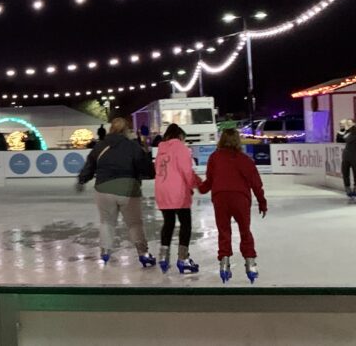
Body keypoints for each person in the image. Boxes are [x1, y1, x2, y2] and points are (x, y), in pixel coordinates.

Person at [77, 117, 157, 268]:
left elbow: (90, 165)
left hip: (104, 189)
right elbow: (146, 170)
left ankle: (105, 252)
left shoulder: (100, 146)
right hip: (128, 189)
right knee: (134, 224)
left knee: (107, 222)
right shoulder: (133, 146)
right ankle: (144, 254)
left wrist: (82, 179)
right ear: (126, 130)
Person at [199, 128, 267, 283]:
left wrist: (200, 187)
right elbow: (256, 183)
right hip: (240, 198)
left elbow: (209, 181)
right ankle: (250, 264)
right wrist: (262, 202)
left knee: (224, 231)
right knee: (245, 230)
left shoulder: (214, 157)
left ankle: (224, 263)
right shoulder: (245, 159)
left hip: (220, 197)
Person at [153, 124, 202, 274]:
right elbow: (186, 171)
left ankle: (163, 256)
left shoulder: (161, 150)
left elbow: (157, 170)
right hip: (178, 191)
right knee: (185, 224)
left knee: (168, 223)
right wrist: (195, 184)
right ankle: (183, 258)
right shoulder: (181, 148)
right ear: (180, 136)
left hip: (162, 190)